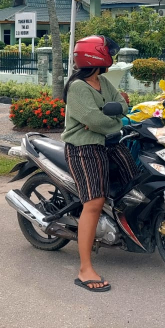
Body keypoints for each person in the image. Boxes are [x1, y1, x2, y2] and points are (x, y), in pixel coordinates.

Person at [62, 35, 137, 292]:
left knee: (133, 183)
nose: (112, 56)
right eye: (108, 52)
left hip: (109, 142)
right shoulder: (77, 87)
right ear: (96, 56)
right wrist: (109, 117)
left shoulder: (103, 82)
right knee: (94, 202)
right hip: (83, 148)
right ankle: (85, 268)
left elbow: (123, 104)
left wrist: (109, 118)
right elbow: (92, 121)